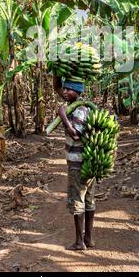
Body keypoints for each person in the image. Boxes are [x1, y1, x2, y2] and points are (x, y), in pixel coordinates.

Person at [53, 75, 96, 251]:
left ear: (77, 91)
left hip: (78, 163)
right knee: (89, 199)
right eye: (65, 89)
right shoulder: (80, 107)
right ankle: (89, 239)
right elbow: (58, 88)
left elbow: (75, 134)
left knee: (78, 200)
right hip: (88, 161)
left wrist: (62, 115)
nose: (65, 92)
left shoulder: (80, 110)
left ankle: (79, 242)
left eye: (68, 89)